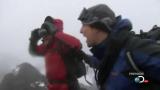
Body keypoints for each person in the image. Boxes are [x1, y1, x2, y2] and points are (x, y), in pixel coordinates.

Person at [78, 4, 160, 90]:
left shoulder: (134, 49)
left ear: (98, 26)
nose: (81, 31)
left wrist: (145, 82)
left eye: (84, 25)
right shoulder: (109, 53)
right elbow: (105, 64)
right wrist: (84, 57)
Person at [29, 16, 84, 90]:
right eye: (42, 34)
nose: (43, 37)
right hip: (53, 86)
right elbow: (34, 51)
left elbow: (78, 44)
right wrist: (33, 40)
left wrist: (56, 33)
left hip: (69, 85)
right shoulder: (47, 46)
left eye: (45, 33)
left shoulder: (62, 43)